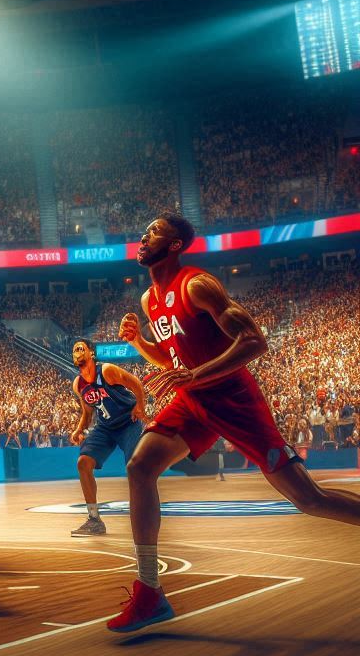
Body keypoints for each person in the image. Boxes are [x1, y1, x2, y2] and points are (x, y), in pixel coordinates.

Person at [108, 211, 360, 633]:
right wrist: (139, 343)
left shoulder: (197, 285)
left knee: (308, 498)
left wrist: (194, 375)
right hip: (193, 399)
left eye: (154, 232)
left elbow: (254, 340)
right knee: (139, 467)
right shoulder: (150, 300)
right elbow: (173, 361)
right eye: (145, 229)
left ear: (173, 245)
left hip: (232, 398)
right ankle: (150, 591)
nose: (143, 235)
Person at [68, 338, 146, 536]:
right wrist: (79, 429)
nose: (76, 352)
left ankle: (143, 514)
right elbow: (87, 413)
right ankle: (94, 520)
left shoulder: (107, 370)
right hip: (105, 427)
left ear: (91, 353)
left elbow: (135, 383)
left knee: (135, 468)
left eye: (80, 348)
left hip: (128, 422)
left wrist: (140, 407)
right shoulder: (78, 384)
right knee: (83, 462)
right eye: (74, 350)